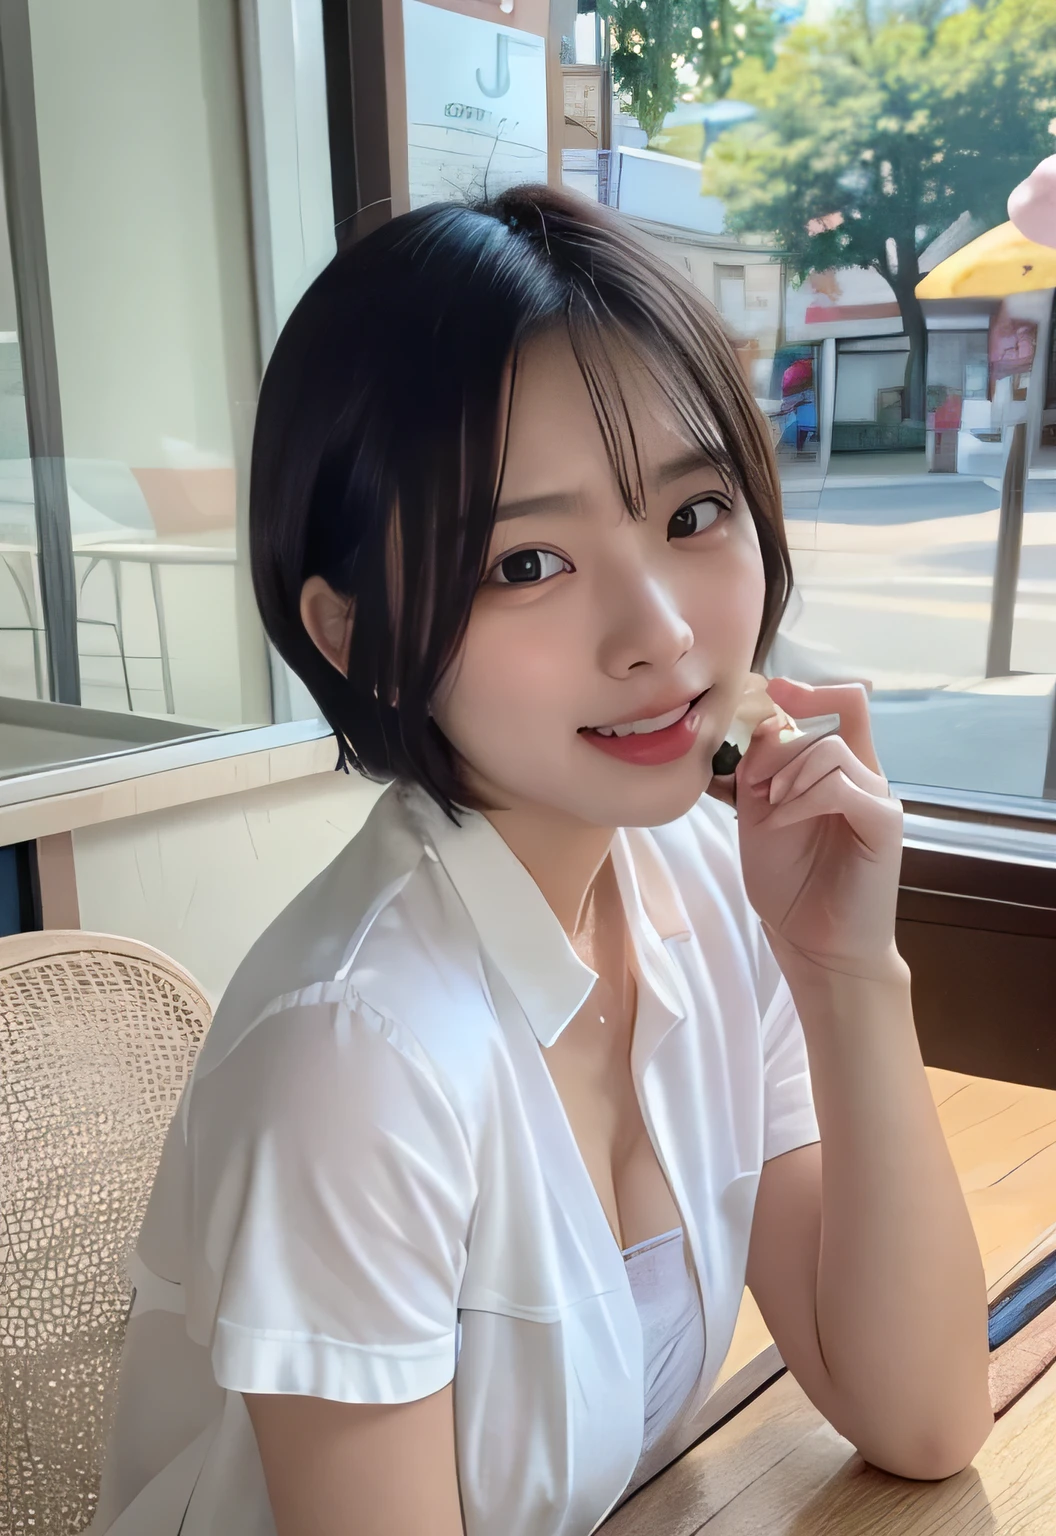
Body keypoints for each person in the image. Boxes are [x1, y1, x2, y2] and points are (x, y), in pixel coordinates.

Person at [88, 185, 993, 1536]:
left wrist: (850, 971)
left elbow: (921, 1415)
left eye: (693, 519)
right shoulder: (357, 1057)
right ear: (358, 635)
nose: (660, 637)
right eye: (526, 560)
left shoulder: (703, 879)